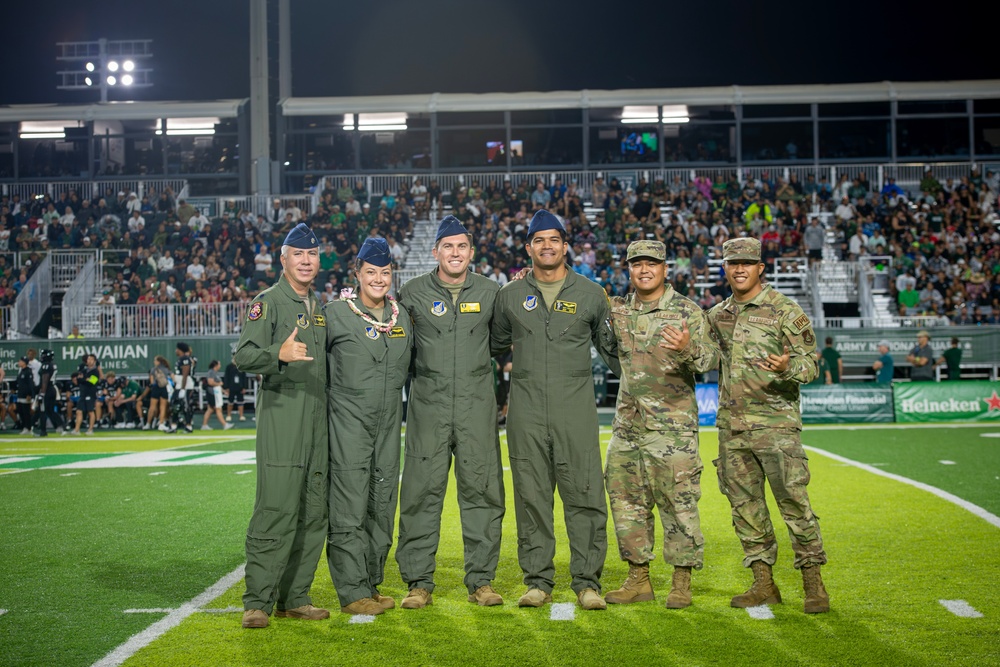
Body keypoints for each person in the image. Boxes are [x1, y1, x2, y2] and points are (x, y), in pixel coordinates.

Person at [491, 209, 620, 611]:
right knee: (532, 498)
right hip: (526, 412)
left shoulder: (591, 293)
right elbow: (491, 348)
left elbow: (615, 354)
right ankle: (538, 581)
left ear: (566, 246)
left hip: (575, 411)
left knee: (585, 494)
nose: (547, 246)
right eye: (538, 240)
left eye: (554, 239)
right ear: (528, 247)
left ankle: (587, 582)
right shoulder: (509, 295)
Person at [706, 237, 829, 614]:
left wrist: (787, 367)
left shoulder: (784, 311)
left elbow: (812, 367)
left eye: (747, 263)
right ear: (725, 269)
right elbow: (702, 355)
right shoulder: (718, 315)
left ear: (761, 267)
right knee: (745, 508)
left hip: (776, 426)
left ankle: (813, 583)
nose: (739, 269)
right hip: (732, 429)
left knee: (794, 503)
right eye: (732, 263)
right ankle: (763, 584)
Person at [395, 216, 505, 610]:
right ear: (435, 251)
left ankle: (481, 581)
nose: (455, 253)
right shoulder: (412, 292)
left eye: (462, 247)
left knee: (483, 493)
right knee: (421, 494)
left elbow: (505, 340)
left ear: (471, 252)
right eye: (448, 246)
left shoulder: (492, 292)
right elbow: (399, 348)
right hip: (428, 407)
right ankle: (418, 581)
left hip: (476, 407)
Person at [604, 241, 718, 609]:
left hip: (672, 430)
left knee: (679, 505)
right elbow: (577, 294)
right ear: (629, 269)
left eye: (652, 263)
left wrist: (687, 347)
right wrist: (532, 278)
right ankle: (638, 579)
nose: (644, 270)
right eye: (637, 264)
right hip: (627, 427)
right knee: (626, 503)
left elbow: (709, 361)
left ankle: (681, 583)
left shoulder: (687, 310)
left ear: (665, 269)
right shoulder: (618, 309)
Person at [235, 222, 330, 629]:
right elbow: (243, 355)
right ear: (284, 258)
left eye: (312, 255)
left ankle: (295, 598)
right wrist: (280, 352)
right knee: (275, 508)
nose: (306, 261)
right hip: (283, 419)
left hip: (318, 422)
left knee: (313, 512)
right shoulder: (268, 302)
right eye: (298, 254)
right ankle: (257, 601)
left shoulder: (320, 307)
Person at [324, 237, 413, 616]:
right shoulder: (335, 314)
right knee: (348, 507)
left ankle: (371, 581)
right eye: (371, 272)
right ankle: (352, 590)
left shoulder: (402, 315)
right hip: (348, 426)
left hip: (389, 427)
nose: (379, 279)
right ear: (357, 273)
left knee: (381, 506)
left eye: (385, 272)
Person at [167, 342, 198, 433]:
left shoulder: (185, 359)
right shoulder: (181, 359)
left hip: (185, 385)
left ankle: (188, 426)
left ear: (180, 350)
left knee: (185, 406)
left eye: (177, 349)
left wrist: (183, 389)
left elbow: (185, 374)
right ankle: (173, 426)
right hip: (180, 384)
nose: (176, 351)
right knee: (175, 405)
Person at [71, 354, 100, 436]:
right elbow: (79, 380)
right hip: (83, 393)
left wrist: (84, 379)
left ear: (94, 361)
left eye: (91, 359)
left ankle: (90, 429)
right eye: (88, 359)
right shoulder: (84, 370)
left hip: (90, 393)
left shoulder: (95, 371)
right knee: (79, 411)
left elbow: (92, 382)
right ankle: (76, 430)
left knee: (90, 411)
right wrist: (85, 379)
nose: (89, 360)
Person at [201, 360, 234, 431]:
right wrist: (219, 384)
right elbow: (210, 382)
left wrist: (223, 391)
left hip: (216, 392)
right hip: (212, 393)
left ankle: (204, 425)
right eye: (219, 364)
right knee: (218, 408)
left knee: (210, 409)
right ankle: (224, 424)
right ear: (215, 365)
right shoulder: (211, 372)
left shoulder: (215, 373)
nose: (220, 366)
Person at [144, 356, 172, 431]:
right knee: (163, 407)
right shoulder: (166, 369)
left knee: (152, 407)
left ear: (158, 361)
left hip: (156, 388)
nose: (154, 362)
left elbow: (152, 382)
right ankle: (161, 424)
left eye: (155, 360)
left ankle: (148, 424)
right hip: (164, 388)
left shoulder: (153, 370)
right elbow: (172, 376)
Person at [224, 358, 248, 422]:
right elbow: (226, 377)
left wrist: (244, 387)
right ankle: (229, 415)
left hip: (240, 387)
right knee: (230, 401)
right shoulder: (229, 367)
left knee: (240, 401)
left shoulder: (241, 366)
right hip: (231, 387)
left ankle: (241, 416)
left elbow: (244, 377)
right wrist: (226, 387)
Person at [14, 356, 35, 435]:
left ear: (24, 362)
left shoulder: (28, 372)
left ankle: (28, 428)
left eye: (20, 361)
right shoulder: (21, 371)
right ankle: (25, 427)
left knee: (26, 412)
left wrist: (29, 394)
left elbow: (30, 384)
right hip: (20, 394)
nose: (19, 362)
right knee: (21, 411)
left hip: (26, 395)